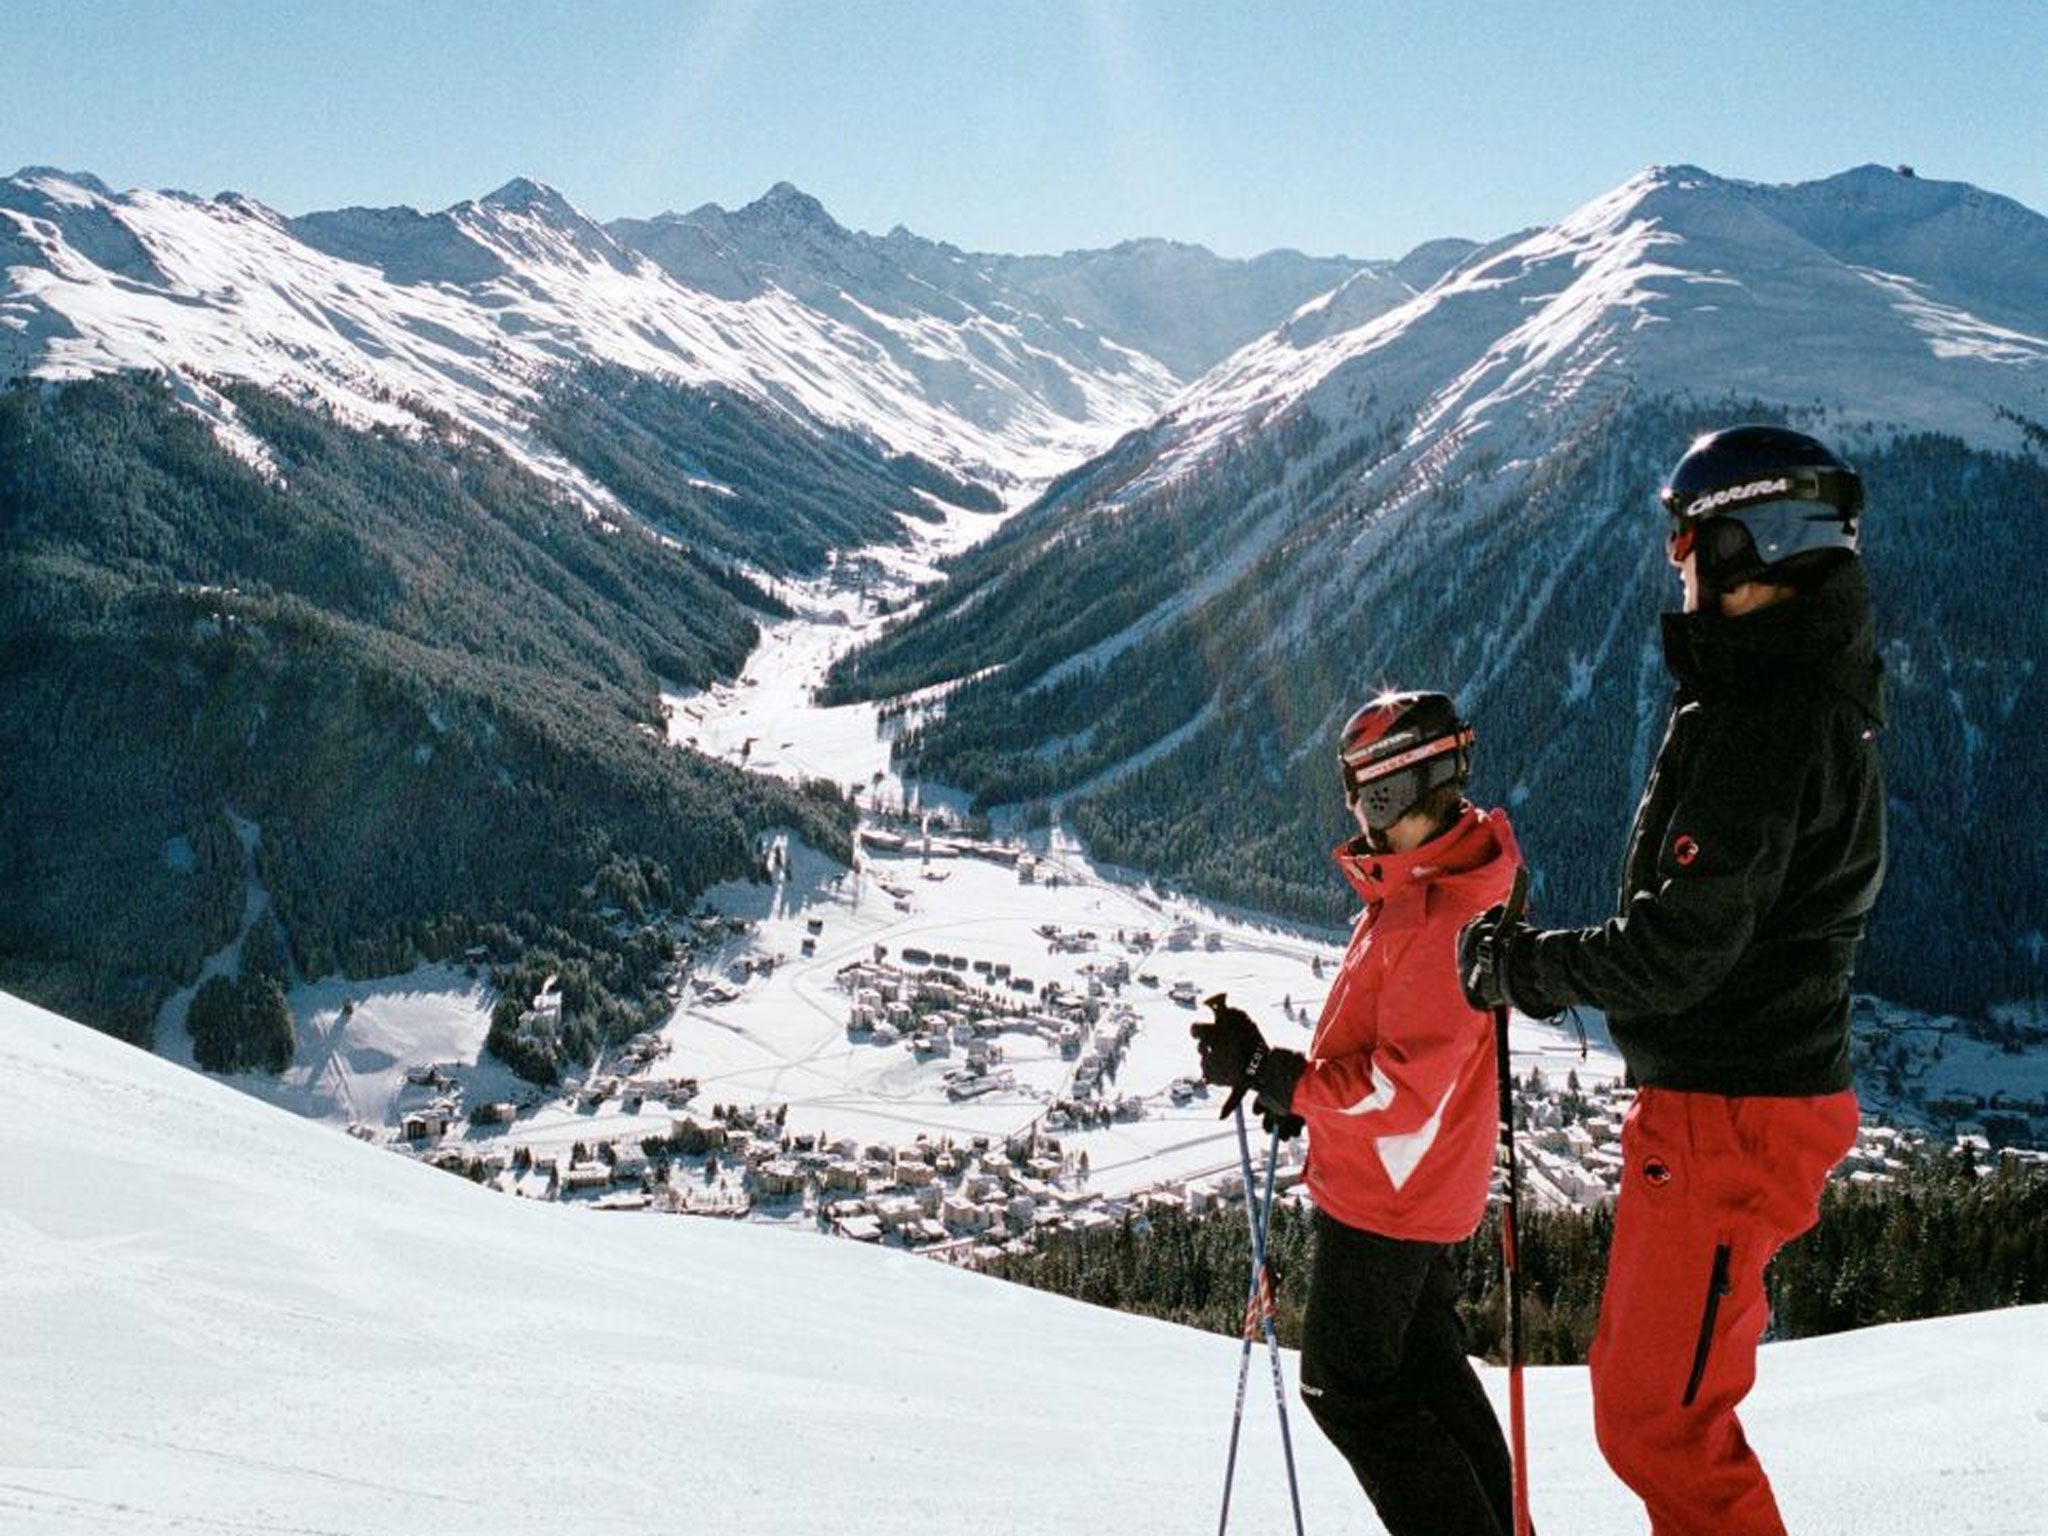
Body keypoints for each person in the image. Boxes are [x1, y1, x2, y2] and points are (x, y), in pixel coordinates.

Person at [1458, 425, 1885, 1536]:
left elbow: (1676, 953)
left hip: (1728, 1115)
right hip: (1727, 1104)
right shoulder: (1784, 693)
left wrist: (1521, 970)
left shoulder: (1764, 720)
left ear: (1748, 546)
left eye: (1688, 541)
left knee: (1658, 1420)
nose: (1676, 565)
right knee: (1644, 1407)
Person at [1193, 690, 1523, 1536]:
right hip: (1417, 1181)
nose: (1359, 820)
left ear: (1392, 792)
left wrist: (1284, 1081)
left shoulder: (1439, 912)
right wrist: (1297, 1093)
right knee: (1427, 1370)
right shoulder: (1433, 885)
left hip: (1391, 1196)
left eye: (1363, 798)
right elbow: (1399, 1062)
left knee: (1344, 1387)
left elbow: (1399, 1094)